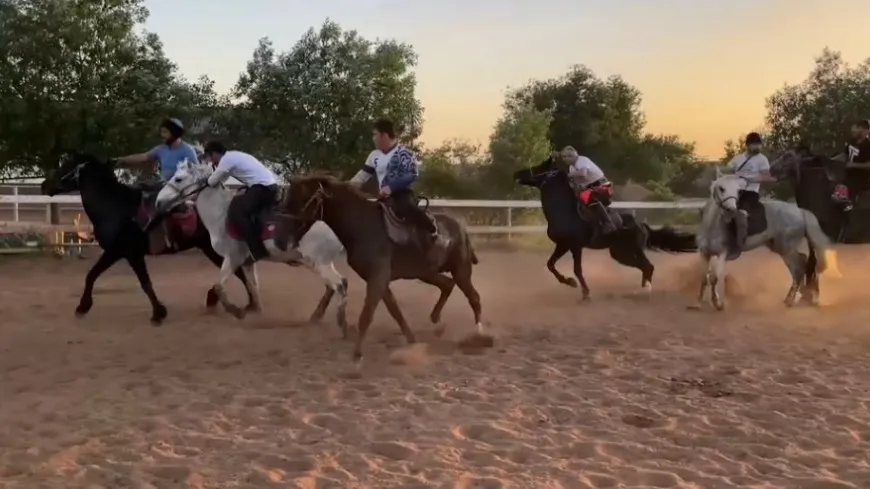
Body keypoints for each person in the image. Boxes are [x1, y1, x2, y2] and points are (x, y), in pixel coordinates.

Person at [349, 119, 451, 256]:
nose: (373, 138)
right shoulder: (374, 156)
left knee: (408, 208)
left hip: (401, 194)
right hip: (382, 197)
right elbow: (363, 175)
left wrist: (391, 188)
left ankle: (434, 233)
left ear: (384, 136)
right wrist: (346, 187)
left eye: (375, 134)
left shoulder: (404, 153)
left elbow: (412, 174)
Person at [201, 141, 279, 261]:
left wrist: (204, 178)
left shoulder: (226, 161)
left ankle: (257, 250)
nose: (211, 161)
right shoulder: (234, 156)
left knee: (236, 212)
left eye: (210, 157)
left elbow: (212, 181)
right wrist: (240, 188)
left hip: (261, 188)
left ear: (215, 153)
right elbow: (229, 180)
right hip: (268, 186)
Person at [724, 132, 775, 252]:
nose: (757, 147)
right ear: (747, 145)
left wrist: (753, 179)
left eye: (758, 145)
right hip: (735, 190)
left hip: (750, 192)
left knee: (741, 214)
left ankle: (740, 243)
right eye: (754, 145)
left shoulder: (762, 159)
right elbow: (728, 169)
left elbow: (766, 177)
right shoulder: (738, 158)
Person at [115, 118, 200, 187]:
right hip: (162, 186)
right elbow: (144, 157)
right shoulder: (161, 149)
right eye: (162, 132)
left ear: (175, 133)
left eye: (165, 132)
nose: (162, 135)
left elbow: (198, 174)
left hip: (178, 192)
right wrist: (121, 160)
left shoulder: (188, 151)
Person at [559, 146, 616, 236]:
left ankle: (609, 223)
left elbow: (583, 174)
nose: (564, 159)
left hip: (603, 185)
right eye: (563, 157)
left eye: (566, 157)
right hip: (591, 187)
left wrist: (570, 175)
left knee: (589, 198)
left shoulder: (582, 160)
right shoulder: (572, 168)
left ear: (573, 156)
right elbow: (577, 184)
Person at [832, 119, 870, 211]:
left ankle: (850, 211)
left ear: (863, 130)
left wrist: (853, 165)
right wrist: (831, 161)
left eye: (856, 128)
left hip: (860, 178)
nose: (853, 130)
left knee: (846, 189)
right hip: (848, 175)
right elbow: (845, 155)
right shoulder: (852, 141)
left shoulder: (867, 146)